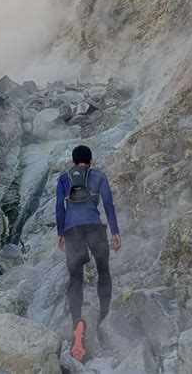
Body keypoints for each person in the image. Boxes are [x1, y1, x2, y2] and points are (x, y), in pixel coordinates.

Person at [56, 145, 121, 362]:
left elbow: (59, 206)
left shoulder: (64, 179)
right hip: (94, 227)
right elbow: (109, 203)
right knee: (104, 270)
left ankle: (77, 324)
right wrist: (115, 231)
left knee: (75, 278)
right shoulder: (98, 175)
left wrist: (60, 233)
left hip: (72, 230)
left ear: (74, 162)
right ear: (90, 161)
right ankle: (104, 317)